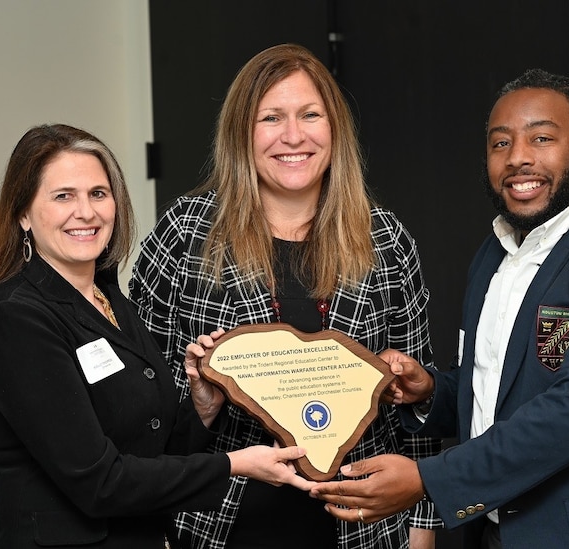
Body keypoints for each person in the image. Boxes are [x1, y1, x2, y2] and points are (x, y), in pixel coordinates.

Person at [310, 69, 569, 549]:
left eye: (542, 138)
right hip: (492, 535)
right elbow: (496, 390)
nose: (518, 158)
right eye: (500, 144)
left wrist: (428, 480)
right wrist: (430, 392)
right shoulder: (496, 252)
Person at [129, 44, 443, 548]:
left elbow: (418, 408)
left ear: (334, 128)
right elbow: (142, 410)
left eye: (310, 115)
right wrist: (203, 400)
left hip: (364, 529)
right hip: (217, 526)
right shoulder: (185, 235)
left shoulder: (386, 240)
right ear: (241, 133)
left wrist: (423, 529)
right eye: (270, 118)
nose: (293, 136)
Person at [0, 123, 314, 549]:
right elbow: (100, 482)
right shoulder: (13, 315)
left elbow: (148, 450)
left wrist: (202, 409)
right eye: (63, 196)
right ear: (22, 213)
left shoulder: (110, 298)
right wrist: (233, 465)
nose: (86, 212)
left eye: (98, 193)